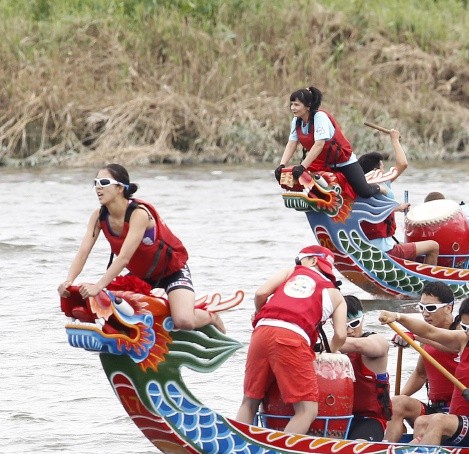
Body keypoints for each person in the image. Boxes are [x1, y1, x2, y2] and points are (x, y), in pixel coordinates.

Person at [58, 164, 224, 332]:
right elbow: (83, 252)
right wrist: (68, 281)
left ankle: (211, 317)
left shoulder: (139, 214)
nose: (98, 187)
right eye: (96, 182)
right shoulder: (98, 217)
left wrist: (98, 286)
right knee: (110, 308)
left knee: (183, 321)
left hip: (172, 271)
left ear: (120, 188)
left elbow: (123, 258)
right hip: (142, 276)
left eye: (104, 182)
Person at [380, 295, 469, 448]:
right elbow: (431, 332)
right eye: (465, 327)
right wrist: (397, 317)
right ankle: (401, 453)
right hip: (462, 420)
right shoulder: (465, 342)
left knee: (438, 421)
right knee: (421, 421)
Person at [236, 246, 347, 435]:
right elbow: (341, 335)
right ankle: (280, 452)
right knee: (307, 410)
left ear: (312, 260)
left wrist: (259, 313)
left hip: (261, 332)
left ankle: (236, 445)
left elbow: (260, 294)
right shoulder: (336, 295)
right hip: (293, 338)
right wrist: (329, 352)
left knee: (250, 400)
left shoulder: (290, 272)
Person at [274, 86, 381, 199]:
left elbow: (319, 145)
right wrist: (282, 165)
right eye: (291, 104)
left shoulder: (320, 117)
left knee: (364, 192)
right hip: (321, 163)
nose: (292, 108)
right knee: (302, 184)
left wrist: (302, 167)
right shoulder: (296, 121)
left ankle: (380, 188)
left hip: (343, 161)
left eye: (297, 105)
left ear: (308, 106)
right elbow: (291, 143)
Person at [385, 282, 460, 442]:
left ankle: (417, 447)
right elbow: (420, 374)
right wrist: (392, 405)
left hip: (459, 412)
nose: (425, 314)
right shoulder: (426, 335)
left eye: (431, 308)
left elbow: (452, 347)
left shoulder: (463, 329)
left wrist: (415, 337)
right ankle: (386, 449)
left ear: (448, 308)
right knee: (396, 404)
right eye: (422, 308)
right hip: (435, 408)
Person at [357, 133, 439, 265]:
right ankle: (431, 284)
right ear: (376, 170)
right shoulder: (374, 188)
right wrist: (394, 140)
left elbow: (402, 165)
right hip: (385, 249)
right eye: (382, 167)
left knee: (406, 245)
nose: (384, 169)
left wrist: (397, 208)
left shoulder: (362, 187)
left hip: (371, 246)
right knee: (433, 246)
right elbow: (403, 164)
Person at [341, 296, 392, 441]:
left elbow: (358, 345)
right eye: (343, 325)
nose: (350, 330)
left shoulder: (377, 341)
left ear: (362, 319)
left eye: (354, 323)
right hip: (338, 417)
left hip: (370, 420)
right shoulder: (332, 348)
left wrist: (323, 346)